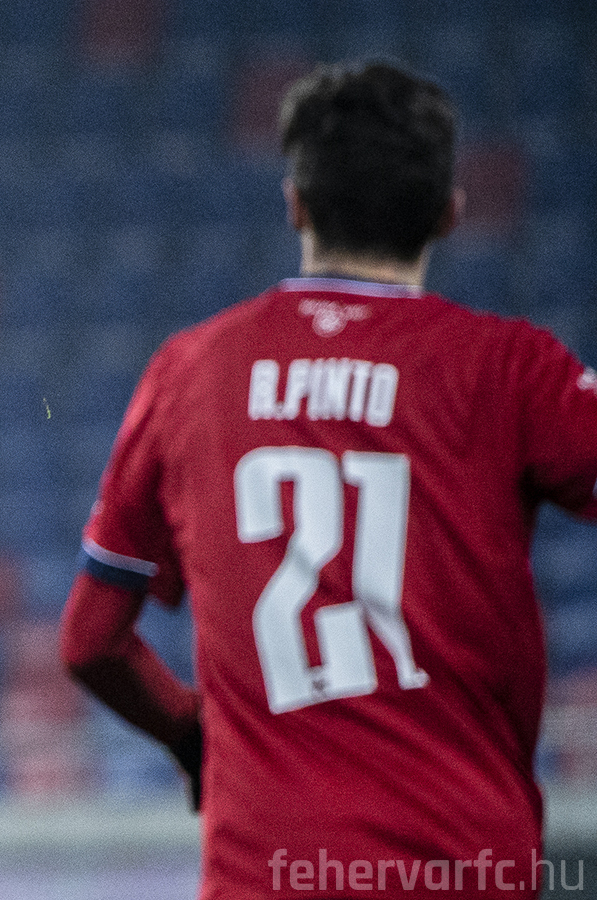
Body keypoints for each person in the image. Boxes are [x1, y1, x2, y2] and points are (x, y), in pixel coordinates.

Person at [59, 59, 597, 900]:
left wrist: (192, 734)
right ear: (449, 213)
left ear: (296, 204)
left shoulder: (190, 372)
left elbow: (91, 641)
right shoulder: (512, 371)